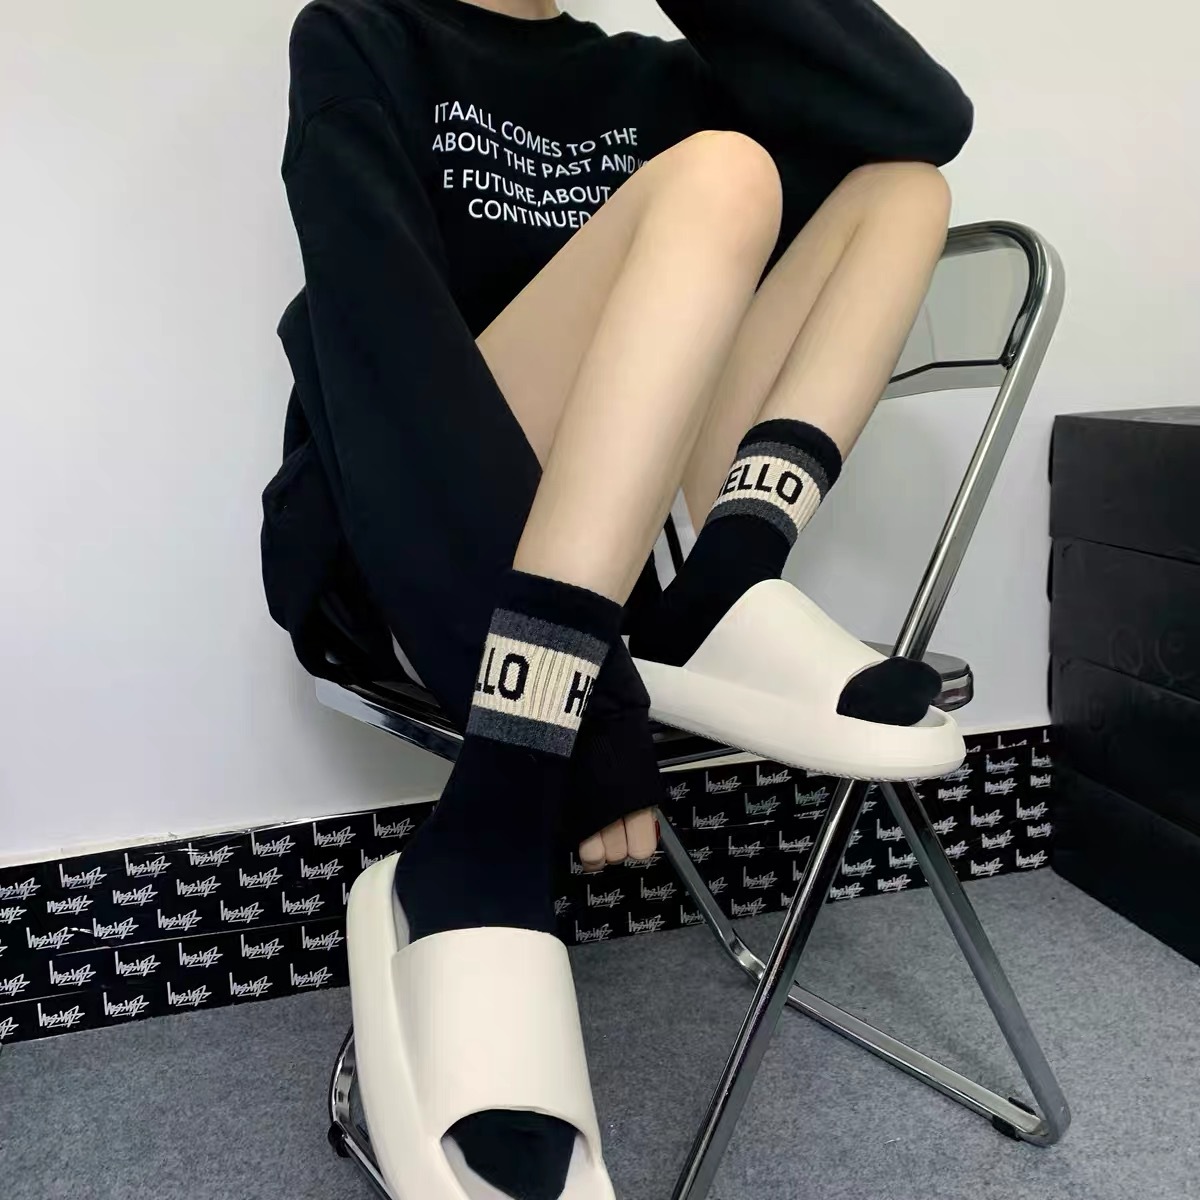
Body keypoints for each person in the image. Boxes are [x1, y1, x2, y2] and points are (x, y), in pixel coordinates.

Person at [261, 0, 972, 1195]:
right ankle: (491, 821)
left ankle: (723, 585)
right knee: (723, 177)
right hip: (400, 538)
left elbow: (923, 115)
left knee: (902, 190)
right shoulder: (362, 34)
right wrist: (581, 710)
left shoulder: (656, 77)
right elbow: (382, 358)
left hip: (603, 578)